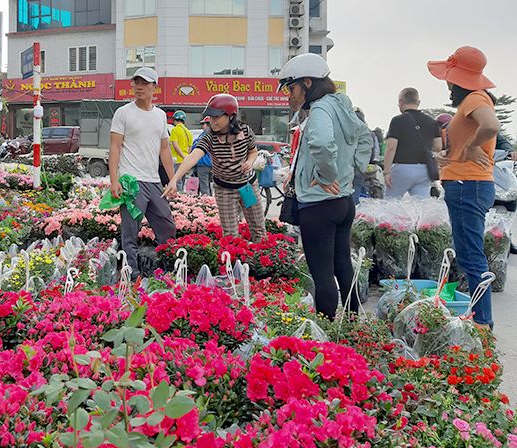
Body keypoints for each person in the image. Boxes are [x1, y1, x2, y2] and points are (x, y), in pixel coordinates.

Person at [277, 53, 372, 321]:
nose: (289, 95)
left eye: (291, 88)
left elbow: (320, 143)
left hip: (318, 204)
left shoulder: (319, 109)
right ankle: (352, 322)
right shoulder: (342, 105)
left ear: (307, 83)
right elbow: (365, 138)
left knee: (322, 273)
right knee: (343, 265)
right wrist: (350, 172)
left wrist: (328, 175)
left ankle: (327, 332)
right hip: (343, 202)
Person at [428, 46, 500, 330]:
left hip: (468, 185)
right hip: (467, 183)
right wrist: (449, 155)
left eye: (450, 82)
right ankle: (478, 317)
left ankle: (482, 322)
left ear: (461, 81)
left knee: (471, 254)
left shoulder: (475, 98)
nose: (448, 89)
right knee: (468, 251)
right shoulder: (473, 100)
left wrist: (470, 148)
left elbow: (491, 126)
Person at [163, 94, 266, 241]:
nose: (212, 121)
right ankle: (233, 261)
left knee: (258, 228)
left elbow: (253, 151)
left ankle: (260, 260)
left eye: (216, 117)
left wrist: (249, 162)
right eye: (210, 117)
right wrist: (174, 179)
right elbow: (193, 156)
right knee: (230, 235)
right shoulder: (208, 137)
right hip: (225, 190)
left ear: (231, 116)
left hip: (247, 187)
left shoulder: (245, 131)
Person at [109, 67, 176, 278]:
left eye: (145, 83)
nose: (139, 87)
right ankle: (131, 273)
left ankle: (167, 268)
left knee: (167, 225)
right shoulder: (123, 113)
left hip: (154, 181)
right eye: (136, 82)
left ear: (154, 87)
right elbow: (115, 147)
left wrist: (172, 179)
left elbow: (164, 149)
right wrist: (114, 181)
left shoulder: (160, 116)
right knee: (130, 231)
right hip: (131, 181)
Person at [383, 88, 442, 198]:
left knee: (391, 204)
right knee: (421, 206)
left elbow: (391, 148)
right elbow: (438, 147)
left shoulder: (397, 120)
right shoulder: (432, 122)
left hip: (402, 168)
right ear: (418, 102)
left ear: (401, 102)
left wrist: (386, 171)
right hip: (424, 169)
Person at [169, 110, 193, 191]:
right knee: (182, 180)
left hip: (177, 160)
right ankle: (183, 198)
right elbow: (190, 147)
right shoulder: (188, 132)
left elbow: (175, 145)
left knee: (177, 181)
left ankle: (179, 198)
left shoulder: (175, 130)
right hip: (185, 160)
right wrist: (186, 157)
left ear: (175, 120)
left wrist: (182, 156)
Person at [194, 116, 213, 195]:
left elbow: (194, 148)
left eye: (203, 124)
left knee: (204, 186)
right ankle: (211, 201)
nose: (202, 126)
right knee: (208, 185)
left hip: (203, 164)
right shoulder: (212, 134)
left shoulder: (204, 136)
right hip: (210, 164)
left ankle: (207, 202)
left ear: (208, 124)